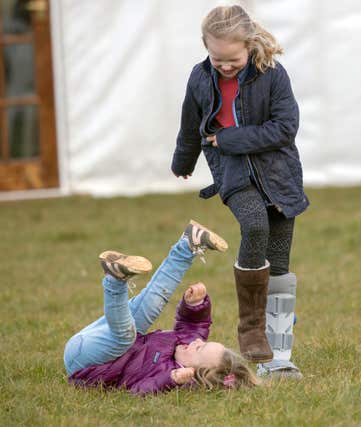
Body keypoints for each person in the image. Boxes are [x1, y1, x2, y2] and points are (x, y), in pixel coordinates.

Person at [171, 5, 307, 379]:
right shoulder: (198, 79)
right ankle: (250, 327)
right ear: (205, 48)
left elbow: (284, 128)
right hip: (233, 173)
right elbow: (189, 123)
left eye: (233, 59)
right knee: (254, 226)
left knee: (279, 266)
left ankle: (277, 360)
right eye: (218, 59)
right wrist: (184, 160)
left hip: (278, 173)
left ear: (249, 46)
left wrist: (228, 137)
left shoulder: (274, 75)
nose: (225, 66)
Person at [63, 220, 259, 395]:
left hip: (87, 363)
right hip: (98, 341)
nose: (196, 342)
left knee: (125, 337)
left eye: (199, 349)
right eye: (202, 343)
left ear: (192, 371)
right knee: (152, 305)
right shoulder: (186, 346)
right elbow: (194, 327)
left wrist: (171, 380)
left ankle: (115, 280)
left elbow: (138, 390)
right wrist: (196, 305)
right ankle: (188, 245)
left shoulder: (170, 377)